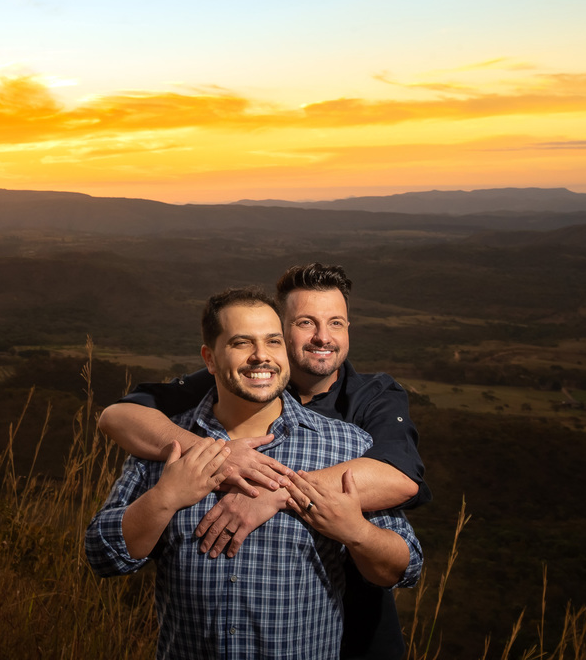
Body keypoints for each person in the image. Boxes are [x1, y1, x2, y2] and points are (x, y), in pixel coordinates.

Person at [97, 264, 430, 659]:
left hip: (358, 628)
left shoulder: (368, 406)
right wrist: (213, 456)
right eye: (306, 322)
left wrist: (275, 492)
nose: (323, 336)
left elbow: (401, 479)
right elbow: (118, 416)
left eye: (336, 322)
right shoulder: (239, 378)